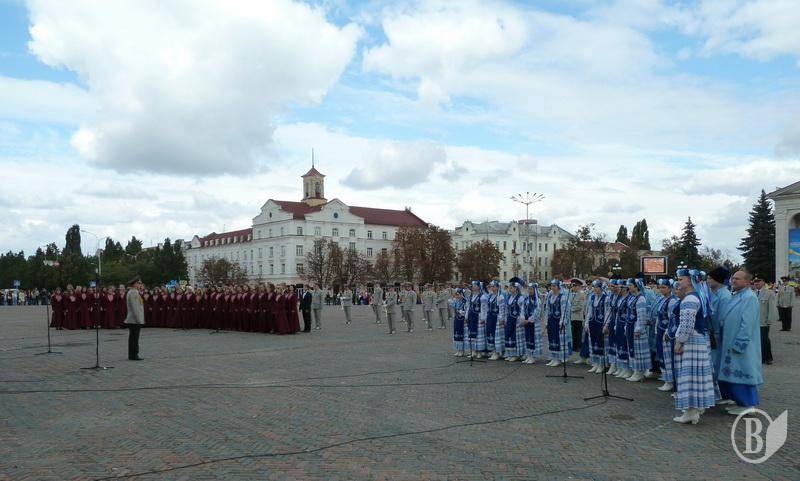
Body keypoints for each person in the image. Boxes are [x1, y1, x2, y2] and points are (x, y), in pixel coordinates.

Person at [672, 268, 716, 425]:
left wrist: (680, 341)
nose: (678, 282)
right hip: (697, 340)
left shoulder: (690, 298)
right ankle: (693, 410)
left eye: (681, 279)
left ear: (689, 280)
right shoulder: (697, 296)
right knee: (695, 376)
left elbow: (687, 324)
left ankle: (691, 411)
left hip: (692, 341)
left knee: (689, 376)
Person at [716, 270, 764, 415]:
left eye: (737, 278)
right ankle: (740, 402)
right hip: (730, 342)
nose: (734, 281)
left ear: (747, 281)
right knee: (734, 374)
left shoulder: (749, 298)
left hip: (741, 345)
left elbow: (747, 323)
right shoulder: (737, 295)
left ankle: (748, 404)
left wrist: (740, 343)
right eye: (733, 278)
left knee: (743, 373)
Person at [625, 278, 652, 382]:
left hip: (637, 328)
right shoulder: (632, 298)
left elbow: (641, 315)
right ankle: (635, 370)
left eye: (630, 285)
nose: (628, 287)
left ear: (636, 287)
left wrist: (639, 329)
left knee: (638, 351)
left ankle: (639, 372)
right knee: (633, 349)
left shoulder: (641, 299)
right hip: (630, 326)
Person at [545, 280, 572, 367]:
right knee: (552, 338)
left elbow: (565, 310)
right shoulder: (550, 297)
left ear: (558, 287)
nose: (552, 288)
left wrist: (562, 321)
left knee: (558, 339)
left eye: (554, 286)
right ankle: (553, 357)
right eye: (551, 286)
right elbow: (547, 309)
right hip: (551, 320)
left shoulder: (562, 297)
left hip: (558, 321)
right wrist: (546, 321)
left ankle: (558, 358)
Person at [586, 279, 608, 374]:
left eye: (597, 287)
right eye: (594, 287)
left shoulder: (605, 298)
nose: (595, 289)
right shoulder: (592, 297)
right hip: (593, 322)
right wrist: (587, 322)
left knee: (600, 342)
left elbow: (607, 311)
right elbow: (589, 311)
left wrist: (606, 324)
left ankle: (601, 364)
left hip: (600, 322)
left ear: (601, 288)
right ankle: (595, 363)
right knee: (593, 342)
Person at [754, 277, 778, 364]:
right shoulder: (752, 293)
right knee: (755, 340)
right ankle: (759, 357)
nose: (756, 283)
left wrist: (769, 320)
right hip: (753, 322)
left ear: (763, 282)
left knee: (764, 339)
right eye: (755, 282)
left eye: (758, 281)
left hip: (763, 321)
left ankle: (768, 358)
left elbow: (771, 307)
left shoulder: (769, 293)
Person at [124, 277, 145, 361]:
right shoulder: (134, 293)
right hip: (134, 319)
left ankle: (132, 354)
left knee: (133, 338)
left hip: (133, 319)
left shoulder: (132, 292)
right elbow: (135, 308)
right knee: (134, 338)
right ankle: (134, 355)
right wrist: (139, 320)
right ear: (135, 284)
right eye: (139, 283)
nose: (140, 285)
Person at [569, 279, 587, 364]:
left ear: (579, 286)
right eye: (573, 285)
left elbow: (580, 306)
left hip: (578, 317)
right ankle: (574, 346)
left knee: (578, 332)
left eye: (575, 286)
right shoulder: (571, 294)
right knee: (573, 332)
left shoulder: (582, 294)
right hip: (572, 317)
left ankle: (578, 346)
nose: (573, 287)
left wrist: (570, 309)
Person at [451, 288, 468, 356]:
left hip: (463, 319)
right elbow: (453, 306)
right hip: (457, 318)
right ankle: (458, 349)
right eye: (456, 295)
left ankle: (462, 350)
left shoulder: (465, 301)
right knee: (456, 332)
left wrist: (462, 312)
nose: (456, 296)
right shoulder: (456, 301)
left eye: (458, 294)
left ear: (461, 294)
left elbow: (467, 310)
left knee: (462, 334)